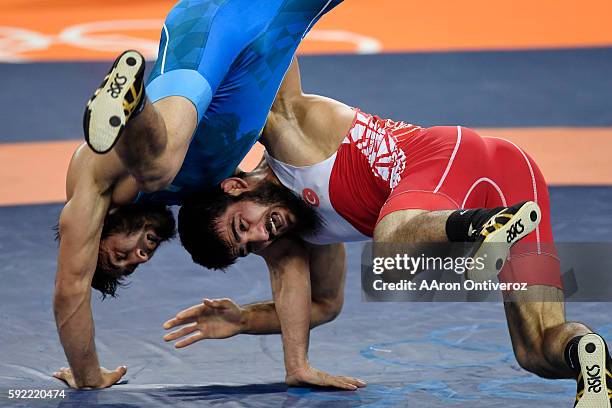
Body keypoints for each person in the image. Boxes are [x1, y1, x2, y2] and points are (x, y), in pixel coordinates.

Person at [169, 58, 612, 404]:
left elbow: (271, 43)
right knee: (537, 351)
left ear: (235, 186)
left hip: (453, 161)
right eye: (247, 247)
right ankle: (588, 355)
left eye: (241, 226)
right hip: (515, 186)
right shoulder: (292, 235)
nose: (259, 238)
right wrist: (252, 327)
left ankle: (481, 228)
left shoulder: (285, 130)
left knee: (392, 241)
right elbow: (321, 304)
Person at [53, 0, 342, 389]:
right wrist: (297, 365)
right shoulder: (205, 193)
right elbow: (287, 259)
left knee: (156, 170)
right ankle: (133, 108)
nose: (140, 256)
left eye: (120, 255)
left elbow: (70, 289)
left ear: (100, 230)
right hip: (268, 28)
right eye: (137, 263)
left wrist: (88, 376)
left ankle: (133, 105)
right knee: (324, 300)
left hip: (204, 31)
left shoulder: (95, 179)